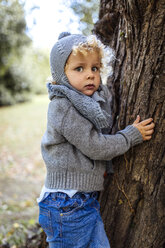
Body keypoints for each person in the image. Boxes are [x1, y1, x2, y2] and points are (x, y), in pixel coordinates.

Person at [37, 32, 155, 248]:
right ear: (60, 74)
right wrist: (129, 136)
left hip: (83, 202)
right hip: (66, 205)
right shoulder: (62, 107)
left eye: (95, 68)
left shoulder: (86, 103)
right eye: (79, 68)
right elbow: (95, 146)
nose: (90, 75)